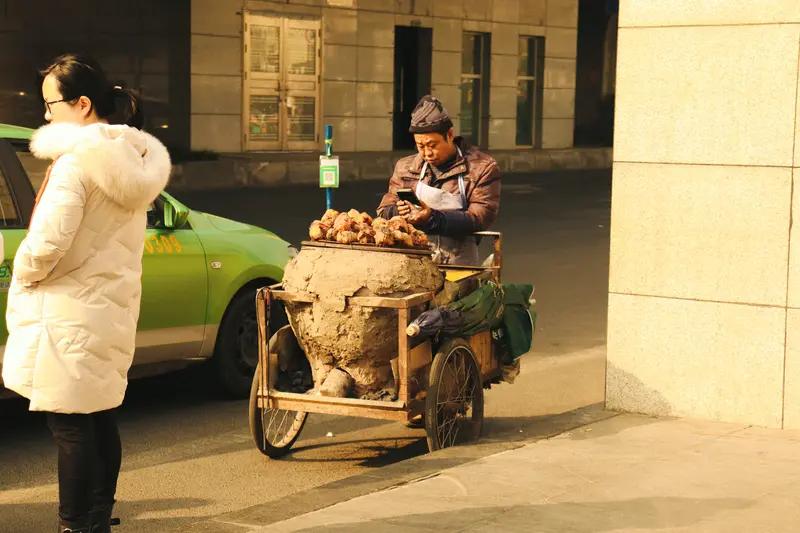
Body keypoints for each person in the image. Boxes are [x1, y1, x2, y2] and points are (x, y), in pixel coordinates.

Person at [1, 54, 170, 533]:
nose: (46, 114)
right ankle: (96, 515)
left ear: (82, 103)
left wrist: (25, 273)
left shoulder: (75, 164)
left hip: (69, 310)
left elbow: (50, 240)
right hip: (108, 305)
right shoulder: (127, 160)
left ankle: (76, 524)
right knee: (96, 417)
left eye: (51, 104)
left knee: (70, 424)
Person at [377, 95, 501, 265]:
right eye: (420, 146)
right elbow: (383, 210)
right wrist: (400, 211)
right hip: (413, 262)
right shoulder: (405, 167)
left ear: (449, 135)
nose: (427, 153)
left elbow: (479, 218)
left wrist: (432, 218)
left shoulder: (481, 167)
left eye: (432, 145)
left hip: (458, 263)